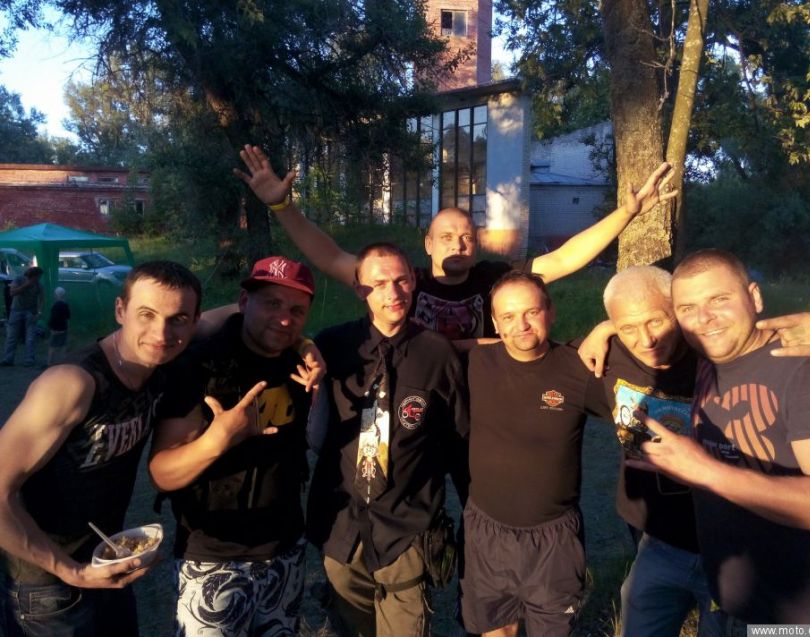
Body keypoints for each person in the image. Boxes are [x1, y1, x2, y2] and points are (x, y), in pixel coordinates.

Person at [234, 145, 677, 344]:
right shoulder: (403, 284)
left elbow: (563, 258)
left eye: (467, 237)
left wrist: (627, 213)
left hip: (482, 401)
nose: (458, 244)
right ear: (427, 243)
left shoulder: (496, 280)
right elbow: (329, 255)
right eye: (446, 237)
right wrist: (282, 206)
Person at [631, 249, 810, 627]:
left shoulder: (807, 370)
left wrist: (704, 471)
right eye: (688, 308)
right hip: (737, 603)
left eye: (719, 299)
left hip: (808, 618)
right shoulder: (708, 359)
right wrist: (603, 331)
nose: (704, 318)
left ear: (755, 297)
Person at [0, 261, 202, 637]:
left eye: (177, 319)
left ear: (194, 322)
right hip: (47, 587)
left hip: (108, 563)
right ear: (120, 310)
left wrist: (305, 345)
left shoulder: (160, 364)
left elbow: (245, 314)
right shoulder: (72, 383)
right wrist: (70, 571)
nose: (161, 333)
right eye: (146, 314)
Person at [306, 242, 468, 637]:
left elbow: (460, 439)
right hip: (341, 526)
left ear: (413, 280)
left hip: (406, 524)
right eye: (379, 284)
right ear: (359, 289)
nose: (393, 293)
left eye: (401, 280)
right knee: (351, 625)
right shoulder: (332, 346)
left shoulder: (437, 354)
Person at [149, 256, 317, 636]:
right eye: (272, 303)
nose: (284, 319)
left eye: (296, 310)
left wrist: (309, 345)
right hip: (213, 558)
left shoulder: (301, 364)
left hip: (286, 551)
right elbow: (160, 474)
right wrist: (215, 441)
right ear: (243, 302)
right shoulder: (198, 367)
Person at [580, 266, 719, 637]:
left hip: (728, 542)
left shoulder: (716, 352)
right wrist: (605, 329)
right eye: (628, 328)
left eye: (656, 321)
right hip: (654, 538)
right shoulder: (607, 357)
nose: (646, 340)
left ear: (677, 310)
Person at [461, 271, 591, 637]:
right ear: (495, 323)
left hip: (554, 537)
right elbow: (426, 348)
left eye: (531, 312)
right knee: (495, 630)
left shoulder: (580, 367)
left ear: (551, 311)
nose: (521, 325)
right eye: (508, 316)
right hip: (486, 530)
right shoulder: (475, 363)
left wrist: (606, 328)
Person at [1, 265, 44, 367]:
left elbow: (42, 299)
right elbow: (12, 293)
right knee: (12, 336)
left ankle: (29, 359)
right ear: (32, 276)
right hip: (16, 310)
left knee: (30, 337)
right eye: (37, 277)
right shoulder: (19, 279)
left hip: (31, 312)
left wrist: (39, 312)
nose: (38, 279)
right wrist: (26, 285)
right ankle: (8, 359)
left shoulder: (38, 285)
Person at [46, 286, 71, 366]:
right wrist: (68, 328)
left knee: (52, 346)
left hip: (55, 329)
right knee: (63, 345)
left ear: (57, 295)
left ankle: (49, 363)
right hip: (64, 328)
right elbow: (68, 317)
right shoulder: (65, 305)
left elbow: (53, 318)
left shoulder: (55, 305)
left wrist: (51, 327)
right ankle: (62, 362)